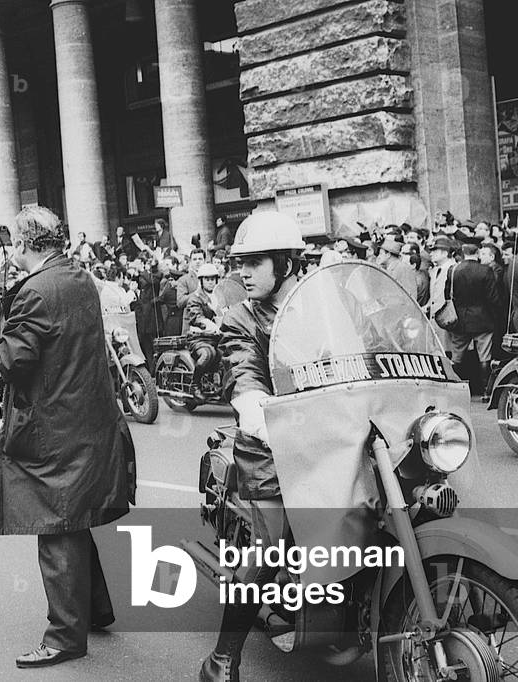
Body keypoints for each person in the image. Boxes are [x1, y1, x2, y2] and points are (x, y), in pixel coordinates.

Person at [0, 205, 136, 669]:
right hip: (86, 420)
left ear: (28, 244)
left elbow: (14, 362)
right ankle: (96, 610)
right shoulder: (77, 277)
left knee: (54, 527)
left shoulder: (34, 291)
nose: (10, 248)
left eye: (14, 240)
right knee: (75, 518)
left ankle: (65, 636)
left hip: (54, 428)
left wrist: (0, 326)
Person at [197, 210, 306, 681]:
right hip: (269, 447)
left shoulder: (317, 301)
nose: (242, 271)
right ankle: (222, 659)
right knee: (271, 548)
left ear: (284, 262)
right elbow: (242, 370)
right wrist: (255, 408)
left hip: (331, 433)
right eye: (240, 261)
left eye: (255, 261)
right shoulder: (241, 317)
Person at [450, 244, 500, 394]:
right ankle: (486, 391)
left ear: (463, 253)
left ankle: (454, 389)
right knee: (484, 356)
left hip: (459, 320)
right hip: (482, 320)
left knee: (457, 356)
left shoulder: (453, 270)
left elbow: (448, 295)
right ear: (477, 253)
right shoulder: (486, 270)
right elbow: (493, 298)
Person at [184, 262, 221, 333]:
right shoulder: (195, 298)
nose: (210, 282)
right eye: (207, 280)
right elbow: (196, 317)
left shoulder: (219, 295)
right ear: (201, 281)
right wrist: (208, 324)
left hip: (219, 333)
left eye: (212, 279)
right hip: (201, 336)